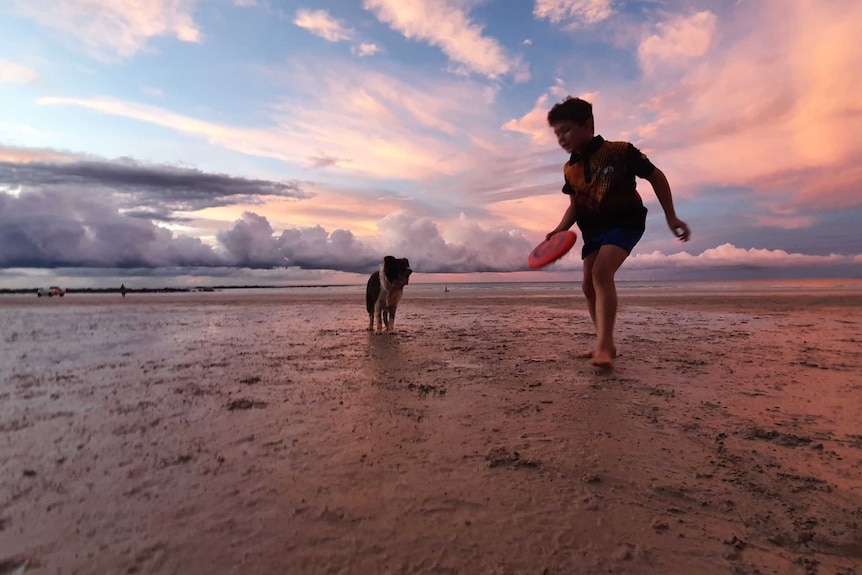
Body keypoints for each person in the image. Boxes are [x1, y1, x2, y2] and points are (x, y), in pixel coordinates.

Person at [545, 96, 690, 369]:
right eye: (557, 134)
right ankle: (605, 342)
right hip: (593, 231)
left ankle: (603, 349)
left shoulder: (621, 151)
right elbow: (575, 206)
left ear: (587, 125)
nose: (561, 138)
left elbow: (656, 176)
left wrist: (671, 217)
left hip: (626, 221)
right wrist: (559, 230)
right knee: (588, 285)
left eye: (565, 130)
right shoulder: (570, 169)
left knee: (602, 273)